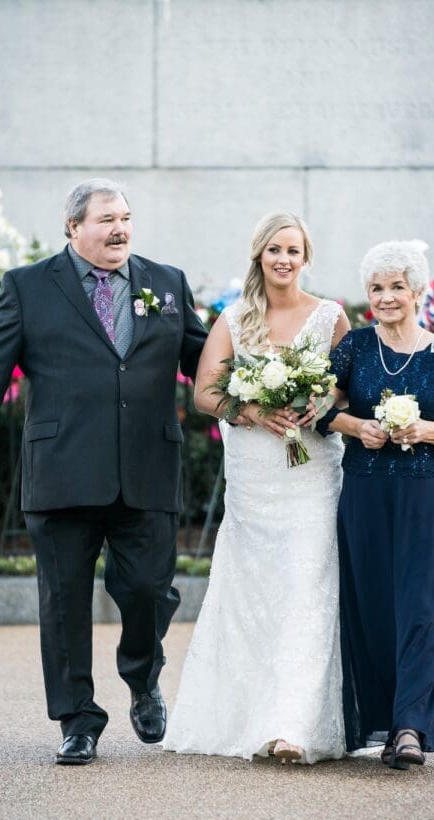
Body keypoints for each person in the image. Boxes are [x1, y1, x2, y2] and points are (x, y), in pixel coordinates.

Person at [0, 178, 207, 765]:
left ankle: (142, 676)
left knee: (147, 590)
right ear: (73, 228)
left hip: (147, 468)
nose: (120, 229)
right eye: (107, 219)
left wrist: (258, 396)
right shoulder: (29, 287)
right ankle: (77, 720)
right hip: (62, 471)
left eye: (126, 218)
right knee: (62, 603)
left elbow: (202, 360)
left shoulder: (165, 283)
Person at [163, 212, 350, 764]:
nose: (284, 260)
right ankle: (247, 716)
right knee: (252, 595)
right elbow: (201, 393)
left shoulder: (330, 317)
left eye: (293, 250)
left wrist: (324, 402)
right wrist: (247, 409)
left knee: (305, 590)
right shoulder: (236, 318)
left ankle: (293, 724)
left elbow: (347, 388)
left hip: (312, 473)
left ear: (305, 257)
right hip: (252, 479)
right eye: (274, 250)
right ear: (259, 256)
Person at [315, 240, 434, 769]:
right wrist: (354, 424)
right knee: (375, 605)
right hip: (365, 488)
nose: (386, 298)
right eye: (376, 288)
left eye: (396, 287)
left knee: (422, 607)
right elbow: (314, 407)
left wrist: (429, 429)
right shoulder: (356, 348)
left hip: (429, 491)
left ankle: (411, 727)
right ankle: (383, 721)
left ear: (418, 290)